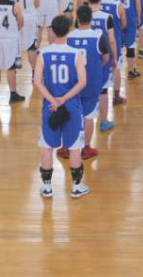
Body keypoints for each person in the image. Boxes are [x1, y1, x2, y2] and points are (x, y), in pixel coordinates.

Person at [34, 15, 89, 199]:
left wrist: (53, 100)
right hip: (71, 105)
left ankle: (47, 187)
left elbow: (37, 82)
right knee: (74, 146)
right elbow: (82, 82)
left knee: (47, 145)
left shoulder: (43, 53)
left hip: (50, 106)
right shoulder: (76, 53)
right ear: (68, 30)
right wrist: (63, 98)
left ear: (53, 30)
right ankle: (76, 187)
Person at [64, 5, 108, 162]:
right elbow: (105, 59)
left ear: (77, 19)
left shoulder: (68, 37)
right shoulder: (99, 36)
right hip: (91, 83)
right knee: (88, 116)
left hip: (72, 84)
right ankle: (85, 148)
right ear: (91, 19)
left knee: (71, 115)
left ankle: (68, 146)